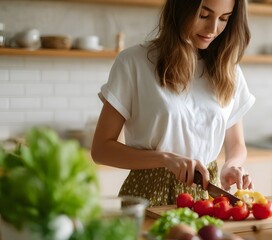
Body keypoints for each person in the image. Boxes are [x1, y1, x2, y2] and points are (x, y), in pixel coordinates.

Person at [91, 0, 255, 207]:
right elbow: (101, 150)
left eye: (224, 18)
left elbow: (236, 144)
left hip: (206, 197)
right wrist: (165, 159)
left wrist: (232, 165)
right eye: (204, 15)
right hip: (149, 195)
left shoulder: (228, 69)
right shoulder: (134, 62)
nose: (213, 29)